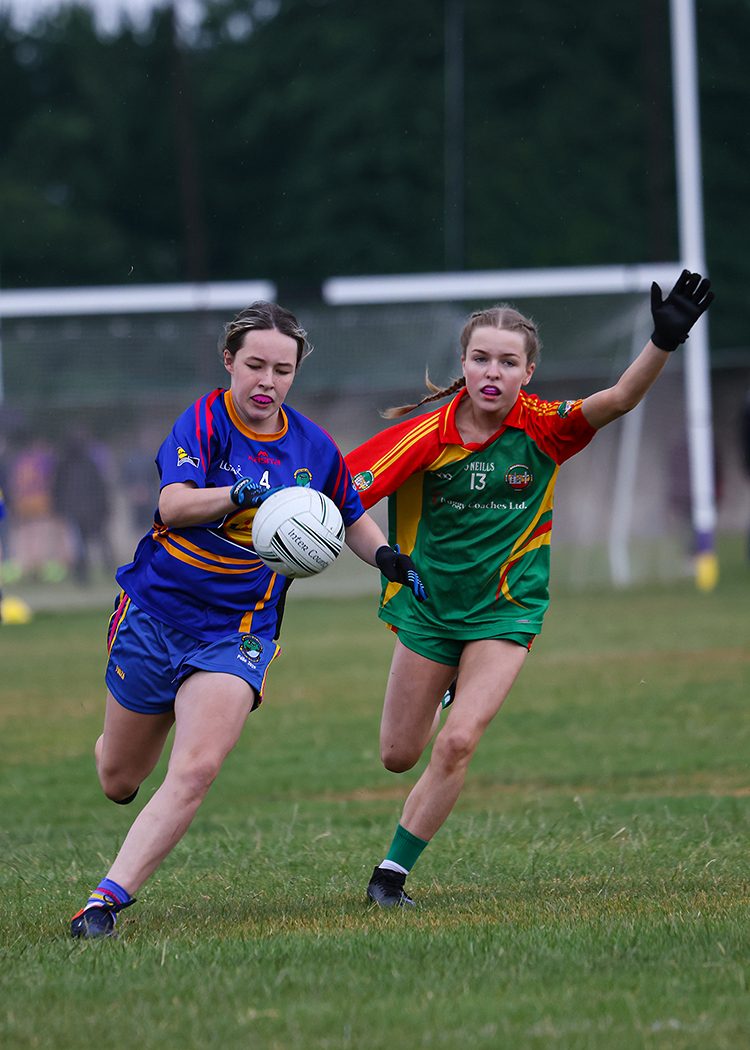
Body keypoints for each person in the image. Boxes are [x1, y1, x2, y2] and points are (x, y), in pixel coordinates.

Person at [345, 270, 714, 907]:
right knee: (398, 755)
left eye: (508, 361)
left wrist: (663, 342)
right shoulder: (427, 435)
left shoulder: (545, 428)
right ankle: (445, 683)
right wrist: (377, 553)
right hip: (431, 611)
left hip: (506, 613)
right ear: (463, 363)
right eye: (481, 357)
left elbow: (620, 398)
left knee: (458, 741)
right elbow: (341, 496)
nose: (493, 371)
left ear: (528, 371)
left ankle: (390, 877)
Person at [70, 301, 426, 938]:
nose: (267, 380)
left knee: (199, 765)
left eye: (282, 369)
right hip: (155, 613)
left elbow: (346, 512)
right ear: (229, 361)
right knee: (119, 778)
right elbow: (173, 505)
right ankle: (115, 747)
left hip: (239, 628)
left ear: (295, 374)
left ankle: (104, 902)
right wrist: (239, 494)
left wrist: (389, 559)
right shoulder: (202, 421)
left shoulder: (312, 445)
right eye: (255, 364)